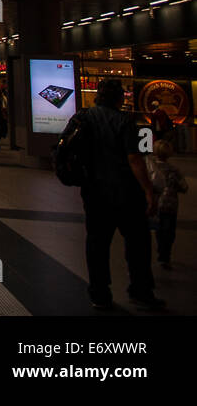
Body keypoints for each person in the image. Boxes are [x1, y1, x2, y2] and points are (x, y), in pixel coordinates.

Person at [78, 79, 161, 310]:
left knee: (97, 243)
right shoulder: (125, 121)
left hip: (94, 192)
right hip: (126, 193)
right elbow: (135, 159)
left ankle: (99, 293)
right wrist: (148, 191)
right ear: (119, 98)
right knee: (137, 243)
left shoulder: (84, 117)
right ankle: (141, 290)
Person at [151, 140, 186, 269]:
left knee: (159, 229)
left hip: (157, 202)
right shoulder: (174, 170)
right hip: (171, 205)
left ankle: (161, 251)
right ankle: (166, 255)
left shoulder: (152, 167)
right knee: (170, 230)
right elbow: (184, 187)